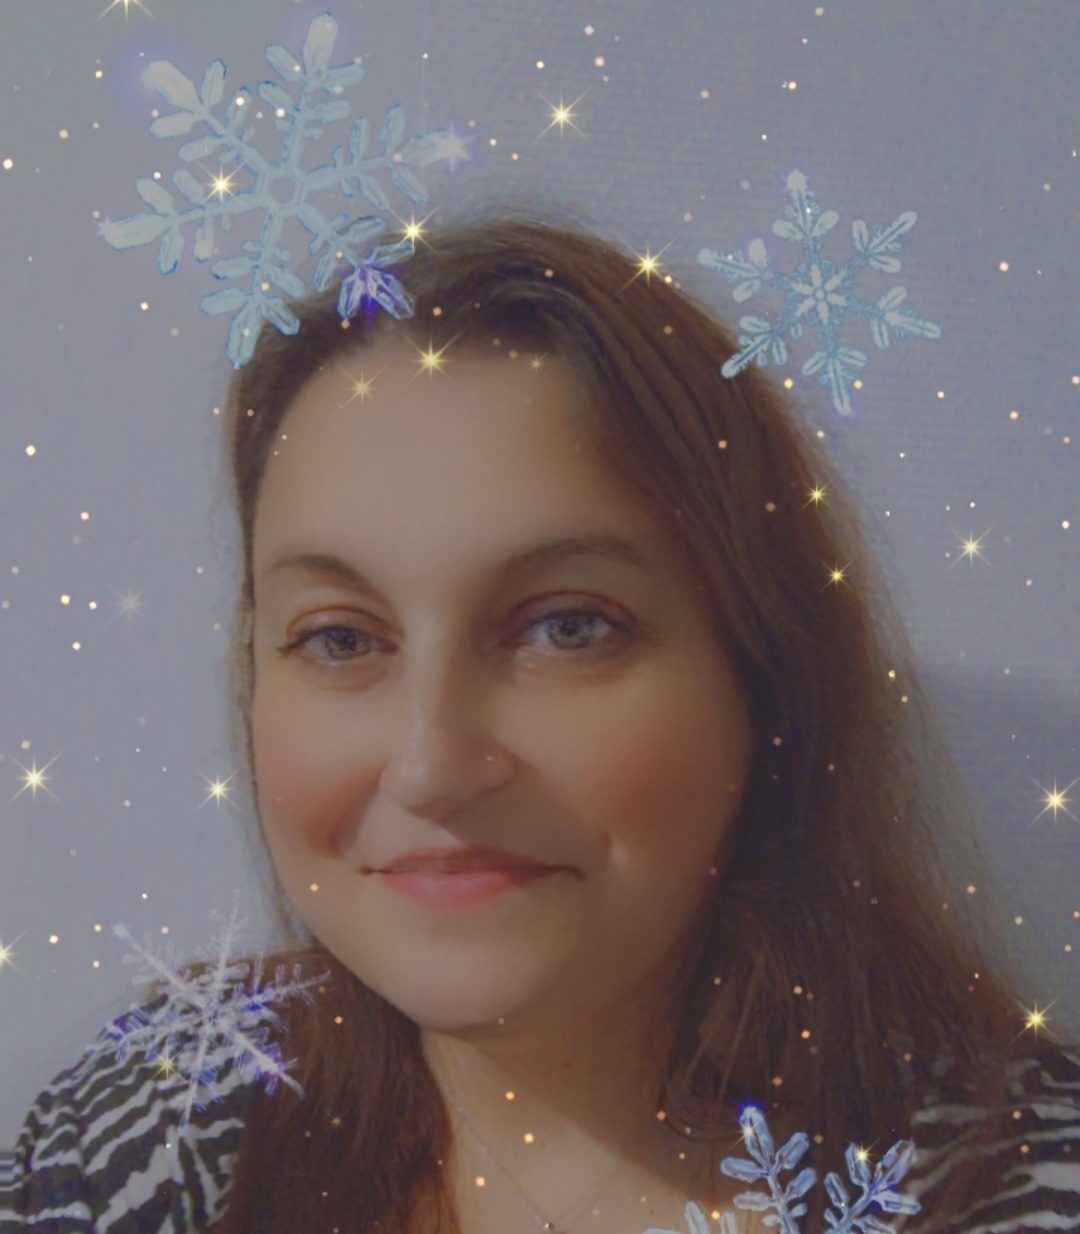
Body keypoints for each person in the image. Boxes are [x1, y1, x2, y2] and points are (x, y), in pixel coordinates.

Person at [3, 206, 1078, 1234]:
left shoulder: (1023, 1191)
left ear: (765, 676)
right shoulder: (150, 1132)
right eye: (340, 638)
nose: (429, 766)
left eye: (568, 627)